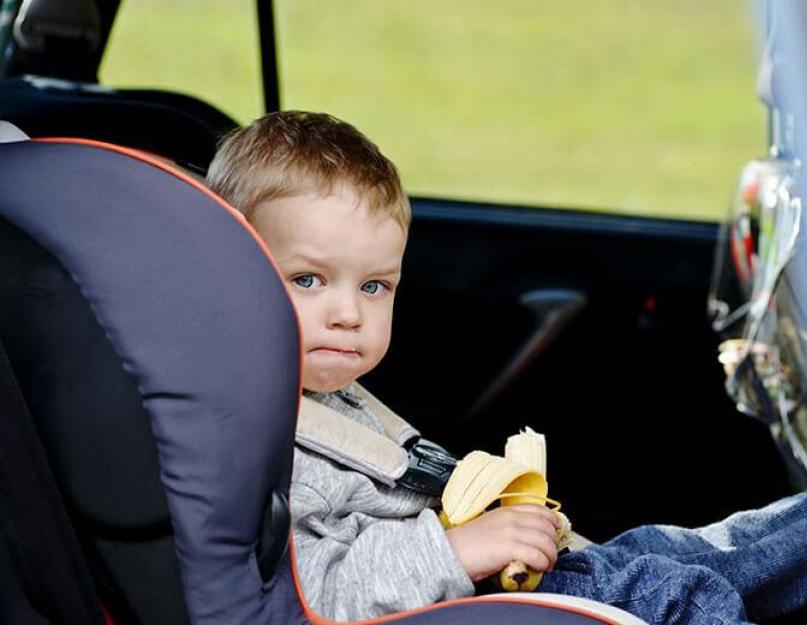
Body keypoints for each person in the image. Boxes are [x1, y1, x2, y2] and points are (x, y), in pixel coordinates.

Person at [206, 111, 807, 625]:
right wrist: (457, 550)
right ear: (230, 279)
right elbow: (316, 599)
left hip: (493, 578)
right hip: (463, 599)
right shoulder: (259, 445)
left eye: (374, 286)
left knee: (710, 551)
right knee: (678, 595)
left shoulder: (324, 397)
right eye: (307, 280)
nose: (348, 314)